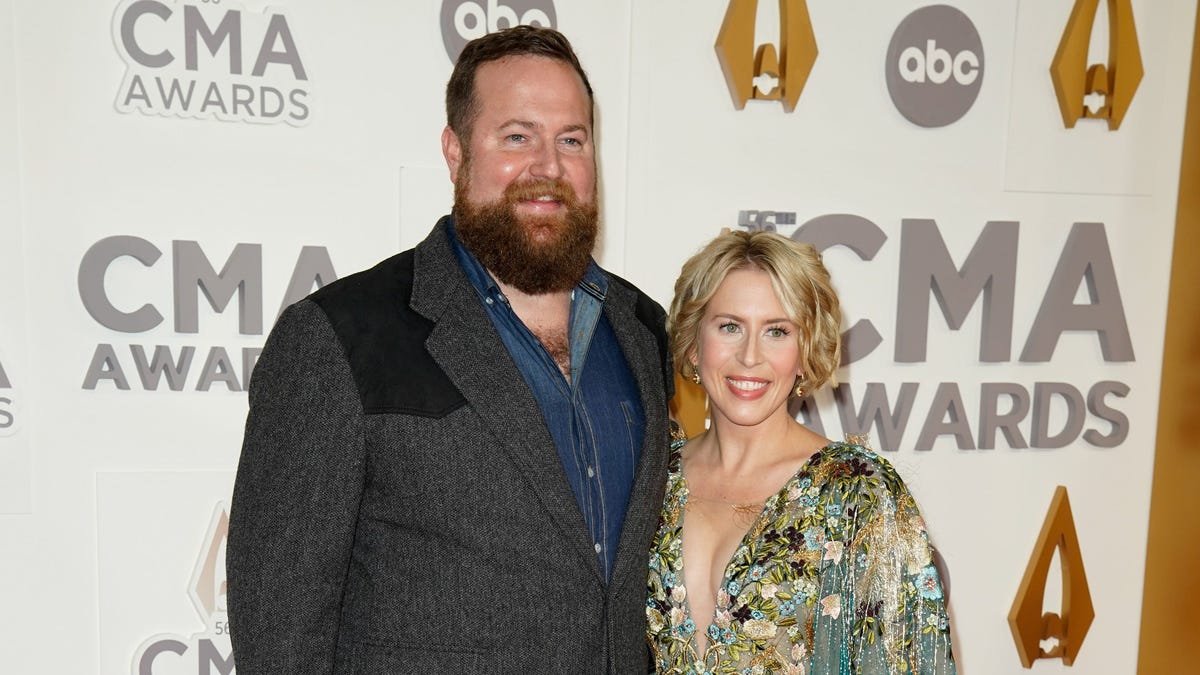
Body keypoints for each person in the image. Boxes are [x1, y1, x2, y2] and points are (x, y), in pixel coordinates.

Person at [226, 26, 673, 674]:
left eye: (571, 139)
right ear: (455, 152)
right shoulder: (340, 339)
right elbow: (280, 639)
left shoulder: (642, 331)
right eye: (517, 137)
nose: (548, 166)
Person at [646, 231, 955, 674]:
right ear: (694, 344)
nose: (750, 356)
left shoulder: (856, 494)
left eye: (777, 331)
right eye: (730, 326)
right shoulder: (653, 476)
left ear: (805, 351)